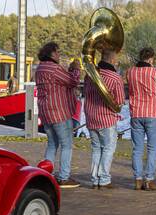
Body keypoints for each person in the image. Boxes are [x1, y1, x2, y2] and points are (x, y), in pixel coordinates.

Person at [34, 41, 80, 188]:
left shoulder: (40, 68)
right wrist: (76, 69)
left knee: (52, 144)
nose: (59, 55)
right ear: (52, 53)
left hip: (45, 112)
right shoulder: (54, 68)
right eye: (57, 52)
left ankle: (46, 174)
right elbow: (73, 81)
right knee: (67, 145)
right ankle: (64, 177)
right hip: (59, 112)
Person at [126, 47, 156, 191]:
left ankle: (137, 179)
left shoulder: (130, 72)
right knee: (153, 147)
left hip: (136, 113)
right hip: (151, 114)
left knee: (137, 148)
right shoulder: (155, 72)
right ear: (151, 59)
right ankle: (149, 179)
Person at [83, 49, 125, 190]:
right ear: (112, 60)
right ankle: (104, 179)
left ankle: (95, 179)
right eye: (116, 60)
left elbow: (85, 92)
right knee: (108, 148)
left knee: (96, 148)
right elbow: (119, 101)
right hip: (106, 118)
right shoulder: (115, 77)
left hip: (90, 116)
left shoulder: (90, 74)